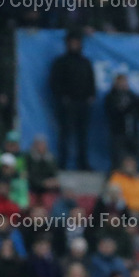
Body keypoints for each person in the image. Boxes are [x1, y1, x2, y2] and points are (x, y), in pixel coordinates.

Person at [49, 30, 95, 171]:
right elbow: (54, 82)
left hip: (83, 104)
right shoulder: (61, 62)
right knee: (65, 135)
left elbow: (91, 82)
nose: (74, 45)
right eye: (72, 42)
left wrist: (90, 96)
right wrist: (63, 98)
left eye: (77, 42)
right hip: (67, 104)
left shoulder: (85, 62)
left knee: (83, 136)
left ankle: (83, 163)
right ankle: (62, 163)